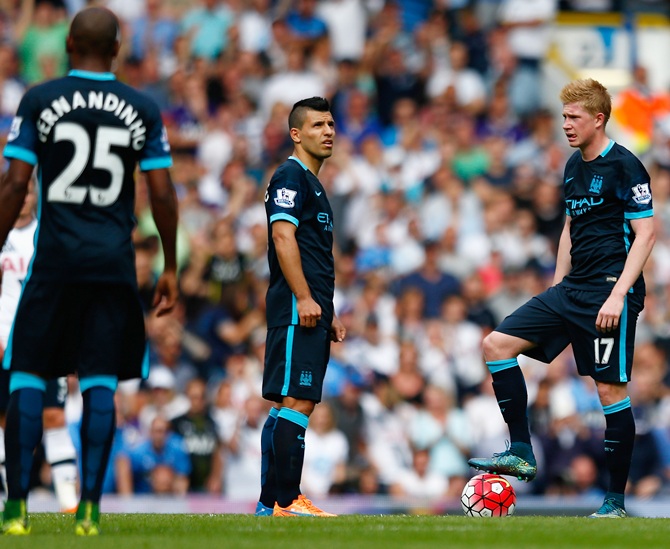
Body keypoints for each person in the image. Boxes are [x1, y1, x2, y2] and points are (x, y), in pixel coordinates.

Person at [0, 7, 178, 536]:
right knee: (100, 383)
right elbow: (162, 193)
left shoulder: (41, 100)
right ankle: (90, 510)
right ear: (118, 49)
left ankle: (14, 511)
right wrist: (168, 263)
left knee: (28, 376)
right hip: (112, 261)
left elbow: (14, 186)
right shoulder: (142, 107)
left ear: (70, 43)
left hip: (54, 259)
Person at [468, 78, 656, 518]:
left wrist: (617, 295)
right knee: (496, 345)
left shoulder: (626, 166)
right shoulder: (573, 165)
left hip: (609, 291)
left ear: (598, 118)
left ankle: (614, 503)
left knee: (609, 391)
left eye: (573, 117)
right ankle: (520, 450)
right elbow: (570, 228)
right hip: (571, 290)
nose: (566, 125)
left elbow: (646, 233)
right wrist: (556, 286)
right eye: (564, 116)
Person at [256, 96, 346, 517]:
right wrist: (306, 298)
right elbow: (282, 237)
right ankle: (287, 501)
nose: (328, 131)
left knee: (286, 404)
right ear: (296, 133)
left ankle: (268, 505)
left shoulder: (312, 182)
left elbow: (313, 254)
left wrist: (328, 310)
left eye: (331, 124)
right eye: (317, 126)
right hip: (297, 308)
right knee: (298, 402)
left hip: (310, 308)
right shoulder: (290, 176)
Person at [0, 180, 79, 513]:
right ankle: (9, 498)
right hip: (3, 343)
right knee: (5, 421)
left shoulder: (47, 236)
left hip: (45, 341)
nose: (22, 199)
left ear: (34, 195)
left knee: (53, 416)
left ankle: (67, 501)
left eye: (28, 192)